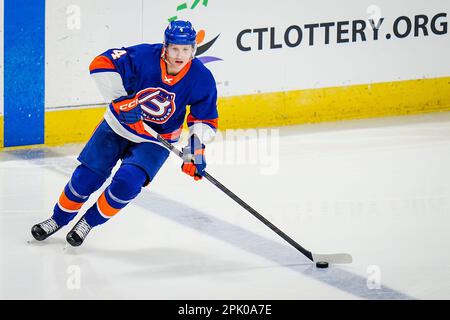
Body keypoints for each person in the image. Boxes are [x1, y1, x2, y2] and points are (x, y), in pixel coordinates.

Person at [31, 20, 218, 247]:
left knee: (128, 183)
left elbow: (204, 118)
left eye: (186, 49)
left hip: (156, 140)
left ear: (193, 50)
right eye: (175, 48)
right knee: (86, 178)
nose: (180, 55)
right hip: (118, 126)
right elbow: (101, 63)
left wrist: (196, 148)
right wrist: (122, 101)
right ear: (165, 47)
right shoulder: (143, 57)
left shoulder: (201, 77)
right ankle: (57, 219)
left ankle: (88, 222)